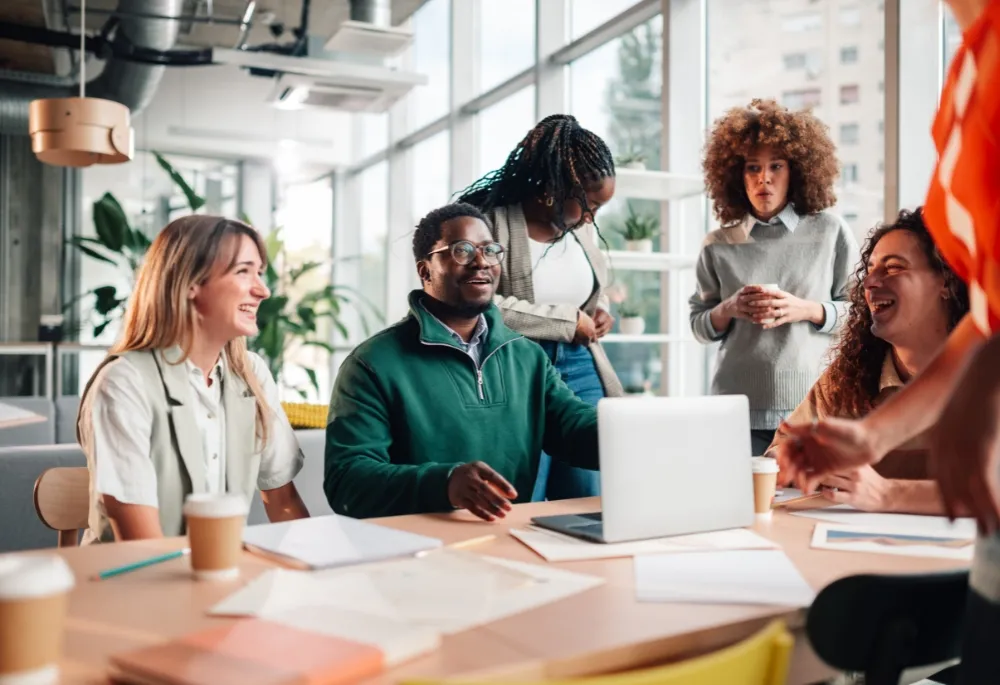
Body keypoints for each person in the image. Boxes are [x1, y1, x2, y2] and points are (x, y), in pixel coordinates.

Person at [776, 2, 1000, 682]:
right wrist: (874, 436)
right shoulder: (972, 58)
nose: (873, 285)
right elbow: (992, 312)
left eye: (895, 270)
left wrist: (980, 389)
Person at [324, 202, 599, 520]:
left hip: (510, 543)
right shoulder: (372, 365)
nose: (481, 261)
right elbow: (347, 483)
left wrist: (627, 433)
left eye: (489, 249)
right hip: (415, 553)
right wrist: (444, 484)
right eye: (462, 250)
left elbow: (573, 428)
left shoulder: (526, 357)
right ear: (425, 270)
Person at [77, 216, 309, 543]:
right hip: (136, 586)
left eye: (259, 272)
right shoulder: (124, 382)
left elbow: (283, 504)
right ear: (190, 284)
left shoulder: (252, 374)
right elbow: (143, 546)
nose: (262, 290)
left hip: (219, 575)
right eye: (244, 271)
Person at [455, 114, 622, 502]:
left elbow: (588, 293)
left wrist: (598, 312)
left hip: (583, 367)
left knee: (587, 496)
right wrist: (567, 322)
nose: (591, 218)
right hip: (519, 369)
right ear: (558, 187)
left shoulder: (579, 232)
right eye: (589, 205)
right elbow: (482, 305)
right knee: (521, 493)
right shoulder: (491, 223)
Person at [765, 208, 969, 513]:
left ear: (948, 283)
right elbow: (775, 459)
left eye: (894, 267)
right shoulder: (849, 377)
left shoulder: (984, 374)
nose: (870, 282)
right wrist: (798, 463)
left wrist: (886, 493)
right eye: (870, 269)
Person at [689, 98, 858, 456]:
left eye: (776, 166)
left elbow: (859, 314)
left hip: (809, 408)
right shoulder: (718, 244)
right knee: (737, 508)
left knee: (803, 507)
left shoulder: (829, 231)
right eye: (752, 167)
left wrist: (808, 310)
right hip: (734, 408)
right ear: (737, 175)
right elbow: (699, 325)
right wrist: (729, 308)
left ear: (796, 171)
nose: (763, 178)